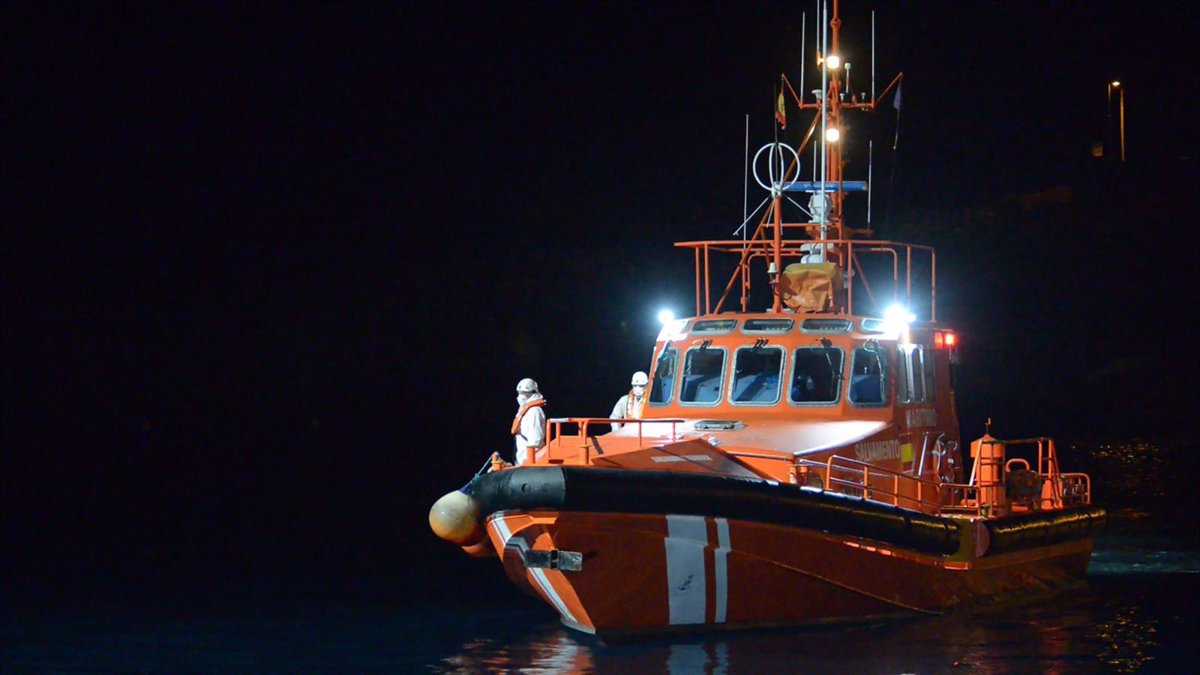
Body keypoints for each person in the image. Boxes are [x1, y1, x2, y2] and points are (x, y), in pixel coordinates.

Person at [511, 377, 546, 465]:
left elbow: (536, 440)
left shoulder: (534, 411)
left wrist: (529, 459)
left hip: (530, 458)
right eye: (519, 393)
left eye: (524, 393)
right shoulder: (525, 409)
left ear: (532, 393)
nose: (520, 396)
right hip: (522, 457)